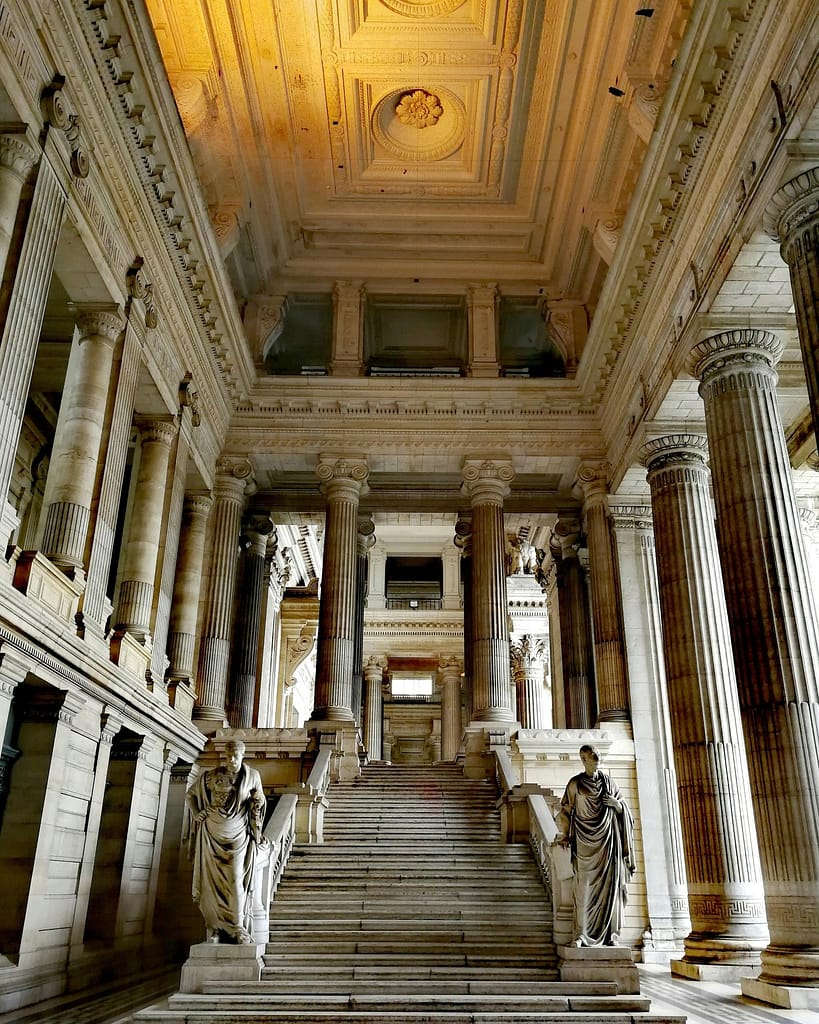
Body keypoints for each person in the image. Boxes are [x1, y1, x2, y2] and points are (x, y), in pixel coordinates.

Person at [185, 739, 269, 944]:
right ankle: (215, 929)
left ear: (242, 756)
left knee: (235, 880)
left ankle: (238, 927)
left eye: (236, 756)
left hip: (238, 836)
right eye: (228, 756)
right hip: (211, 833)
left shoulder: (252, 777)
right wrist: (197, 814)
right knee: (211, 886)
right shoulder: (211, 775)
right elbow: (190, 795)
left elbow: (259, 802)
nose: (231, 760)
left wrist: (257, 803)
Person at [555, 744, 635, 947]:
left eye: (597, 755)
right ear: (583, 759)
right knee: (584, 889)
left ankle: (610, 935)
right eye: (592, 755)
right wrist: (564, 834)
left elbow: (623, 807)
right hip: (583, 843)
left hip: (607, 842)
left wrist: (618, 807)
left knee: (609, 888)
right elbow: (565, 811)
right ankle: (582, 934)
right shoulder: (575, 784)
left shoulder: (608, 782)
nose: (596, 757)